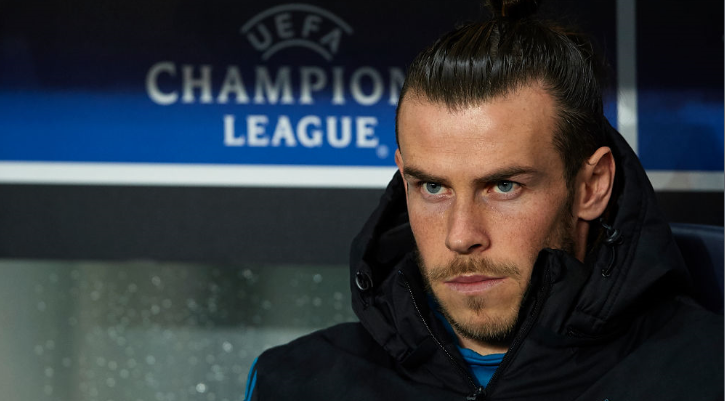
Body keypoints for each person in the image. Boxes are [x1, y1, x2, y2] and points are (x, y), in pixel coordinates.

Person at [244, 1, 723, 399]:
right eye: (433, 188)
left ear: (591, 186)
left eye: (504, 187)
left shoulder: (707, 375)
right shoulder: (293, 382)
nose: (461, 236)